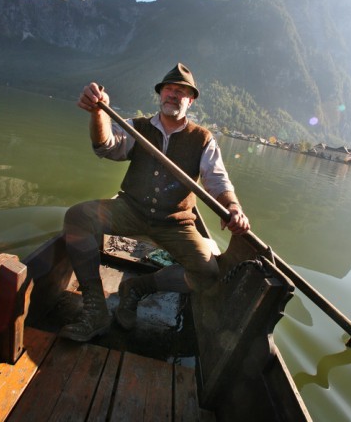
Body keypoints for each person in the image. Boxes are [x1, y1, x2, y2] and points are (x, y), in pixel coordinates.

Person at [60, 62, 250, 342]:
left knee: (208, 273)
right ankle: (96, 308)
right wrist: (99, 112)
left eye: (181, 91)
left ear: (191, 100)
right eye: (168, 89)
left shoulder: (203, 139)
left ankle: (137, 288)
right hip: (131, 210)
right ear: (160, 94)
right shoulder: (137, 127)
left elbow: (218, 181)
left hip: (175, 223)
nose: (172, 94)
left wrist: (233, 207)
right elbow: (106, 147)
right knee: (77, 217)